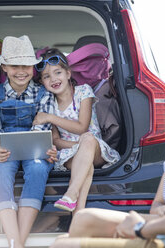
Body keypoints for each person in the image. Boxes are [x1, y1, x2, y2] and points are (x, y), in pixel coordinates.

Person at [50, 73, 165, 247]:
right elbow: (157, 204)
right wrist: (162, 209)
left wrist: (139, 226)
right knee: (83, 218)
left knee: (63, 243)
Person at [0, 35, 57, 248]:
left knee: (37, 169)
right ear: (4, 67)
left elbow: (42, 129)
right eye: (15, 65)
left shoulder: (43, 93)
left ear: (33, 68)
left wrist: (45, 148)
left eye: (26, 65)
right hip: (4, 147)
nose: (21, 71)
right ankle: (14, 241)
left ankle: (18, 242)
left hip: (35, 148)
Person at [32, 48, 120, 213]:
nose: (53, 79)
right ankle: (76, 214)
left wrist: (50, 118)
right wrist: (79, 148)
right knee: (86, 167)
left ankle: (71, 193)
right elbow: (56, 141)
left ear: (68, 74)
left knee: (87, 138)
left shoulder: (83, 91)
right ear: (42, 82)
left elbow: (82, 127)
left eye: (58, 72)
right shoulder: (47, 102)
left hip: (95, 149)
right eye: (46, 76)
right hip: (68, 153)